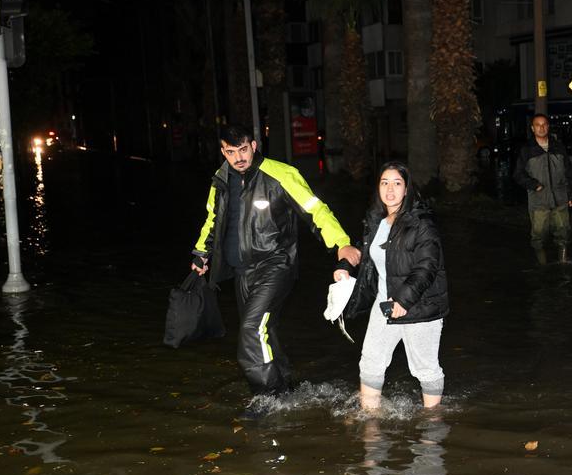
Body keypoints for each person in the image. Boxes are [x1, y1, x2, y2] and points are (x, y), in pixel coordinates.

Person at [190, 124, 361, 418]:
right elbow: (212, 218)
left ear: (254, 145)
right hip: (242, 271)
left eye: (243, 149)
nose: (238, 157)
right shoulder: (220, 179)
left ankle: (268, 399)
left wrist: (341, 244)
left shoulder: (280, 174)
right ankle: (286, 388)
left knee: (250, 330)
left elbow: (315, 209)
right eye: (230, 152)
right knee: (264, 331)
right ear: (223, 152)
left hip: (276, 266)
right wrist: (201, 253)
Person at [334, 161, 448, 411]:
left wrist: (403, 301)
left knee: (425, 368)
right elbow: (365, 252)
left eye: (397, 183)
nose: (390, 189)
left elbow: (427, 267)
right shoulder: (377, 221)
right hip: (384, 305)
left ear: (407, 189)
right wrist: (344, 265)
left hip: (419, 307)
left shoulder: (422, 224)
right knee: (370, 363)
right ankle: (370, 422)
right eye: (384, 183)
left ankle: (433, 428)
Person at [513, 113, 572, 264]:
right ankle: (542, 265)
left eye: (544, 124)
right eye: (537, 125)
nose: (541, 128)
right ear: (532, 128)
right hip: (539, 202)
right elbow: (518, 174)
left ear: (548, 127)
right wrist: (533, 184)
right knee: (539, 235)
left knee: (563, 232)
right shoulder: (527, 150)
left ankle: (563, 261)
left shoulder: (559, 147)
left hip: (561, 200)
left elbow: (569, 172)